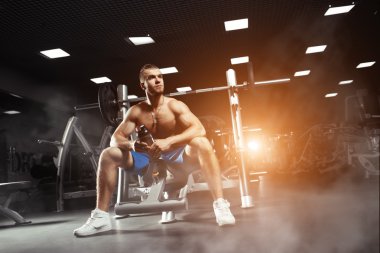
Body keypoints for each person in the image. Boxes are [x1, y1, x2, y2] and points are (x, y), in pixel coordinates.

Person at [74, 64, 235, 237]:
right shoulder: (136, 111)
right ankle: (100, 218)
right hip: (147, 159)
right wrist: (132, 145)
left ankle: (220, 205)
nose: (158, 80)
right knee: (108, 154)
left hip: (177, 157)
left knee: (201, 142)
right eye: (151, 77)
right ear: (143, 85)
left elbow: (199, 129)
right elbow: (115, 138)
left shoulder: (175, 106)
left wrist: (170, 141)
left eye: (160, 76)